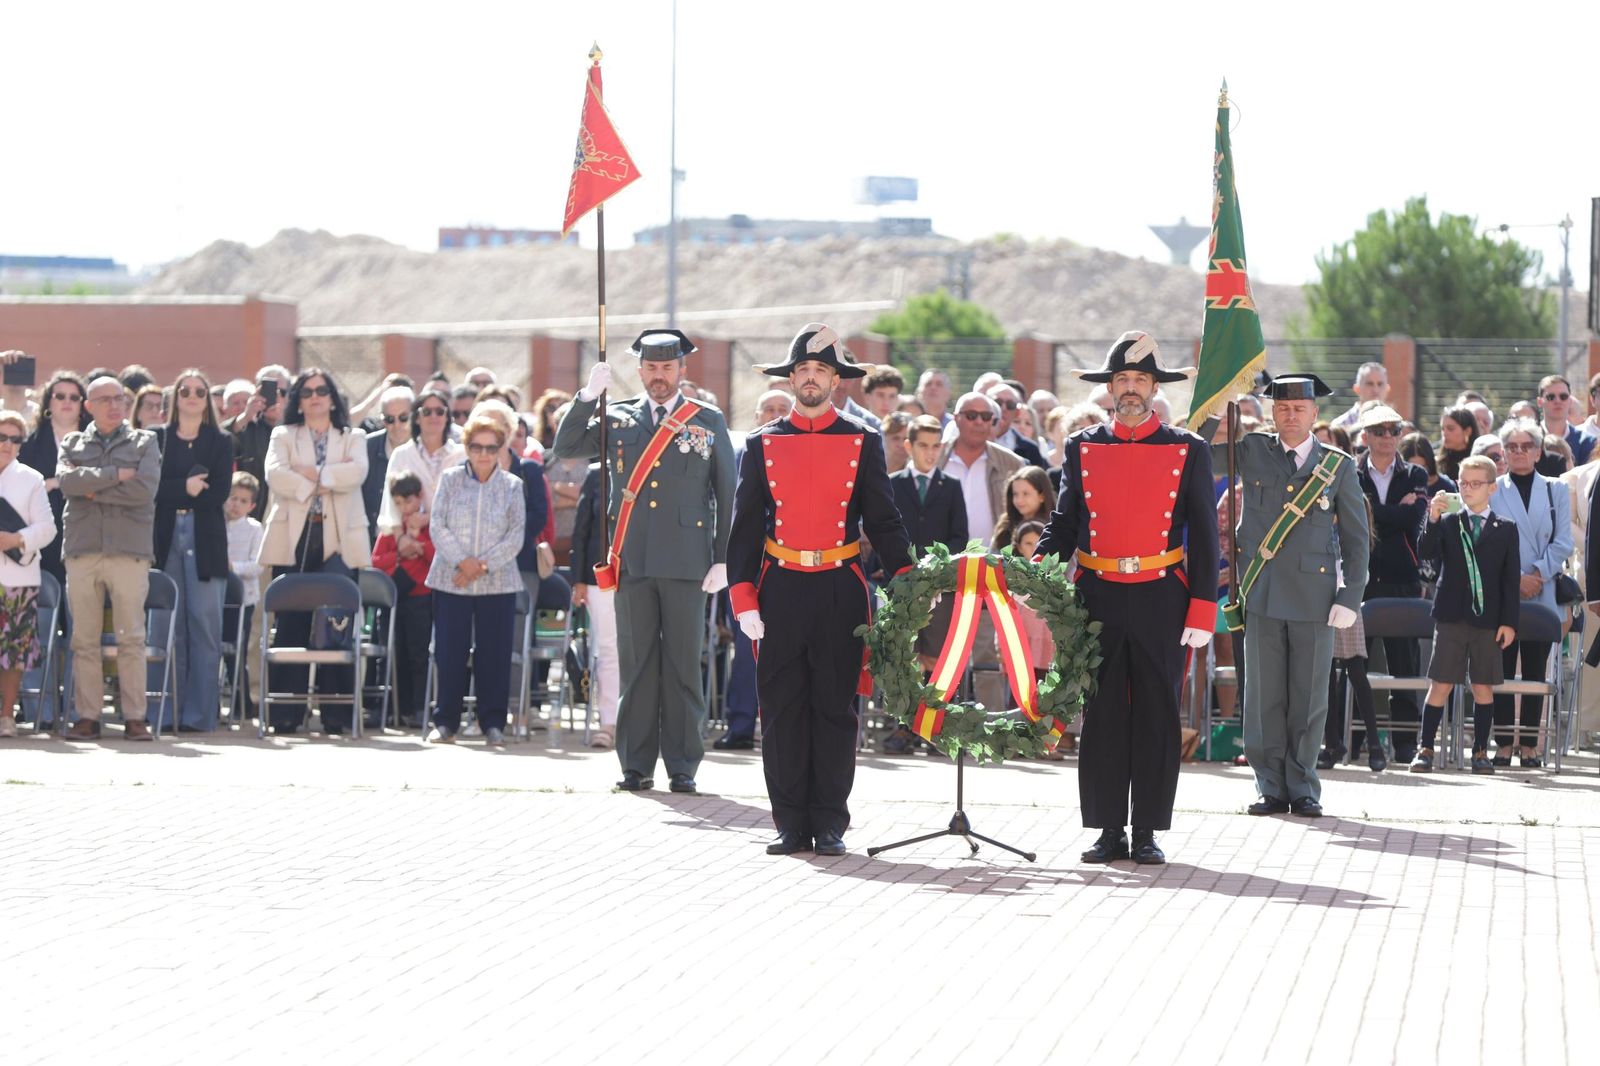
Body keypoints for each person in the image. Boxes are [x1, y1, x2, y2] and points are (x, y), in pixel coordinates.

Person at [728, 323, 911, 856]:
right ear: (791, 378)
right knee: (782, 707)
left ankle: (830, 821)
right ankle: (789, 821)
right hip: (780, 585)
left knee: (834, 707)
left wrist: (907, 578)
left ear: (836, 380)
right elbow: (743, 528)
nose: (810, 379)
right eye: (802, 370)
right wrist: (743, 598)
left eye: (820, 371)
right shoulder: (762, 444)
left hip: (839, 584)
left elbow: (883, 518)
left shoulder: (862, 439)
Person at [1038, 332, 1218, 863]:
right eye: (1123, 380)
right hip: (1097, 595)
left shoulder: (1188, 449)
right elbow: (1066, 522)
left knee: (1157, 714)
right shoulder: (1083, 445)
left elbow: (1205, 534)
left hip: (1162, 594)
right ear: (1110, 388)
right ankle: (1107, 827)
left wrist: (1203, 606)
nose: (1132, 389)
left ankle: (1146, 831)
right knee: (1104, 713)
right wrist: (1031, 569)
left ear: (1155, 387)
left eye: (1141, 379)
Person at [554, 329, 735, 795]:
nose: (659, 376)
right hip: (631, 559)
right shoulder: (617, 417)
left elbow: (726, 495)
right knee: (636, 665)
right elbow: (567, 447)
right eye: (651, 369)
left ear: (681, 371)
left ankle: (682, 766)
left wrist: (723, 558)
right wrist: (585, 397)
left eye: (667, 368)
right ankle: (635, 765)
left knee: (680, 666)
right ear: (640, 372)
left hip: (687, 563)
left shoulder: (707, 420)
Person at [1206, 374, 1369, 817]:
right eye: (1282, 409)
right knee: (1263, 699)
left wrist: (1349, 597)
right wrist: (1217, 403)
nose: (1290, 416)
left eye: (1299, 409)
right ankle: (1270, 787)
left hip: (1315, 598)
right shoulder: (1252, 451)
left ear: (1316, 414)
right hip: (1260, 592)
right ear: (1272, 413)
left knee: (1309, 697)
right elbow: (1197, 454)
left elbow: (1357, 540)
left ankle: (1303, 786)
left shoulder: (1337, 465)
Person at [260, 368, 371, 735]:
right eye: (306, 392)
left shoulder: (353, 435)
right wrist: (322, 481)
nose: (315, 397)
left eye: (322, 390)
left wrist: (313, 474)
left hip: (339, 537)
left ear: (333, 396)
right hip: (296, 536)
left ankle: (337, 715)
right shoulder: (283, 434)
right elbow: (276, 475)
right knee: (291, 625)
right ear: (298, 399)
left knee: (336, 627)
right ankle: (286, 714)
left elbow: (357, 473)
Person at [58, 375, 162, 741]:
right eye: (105, 399)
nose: (115, 405)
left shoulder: (145, 441)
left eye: (119, 398)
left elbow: (143, 491)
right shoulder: (71, 442)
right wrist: (115, 475)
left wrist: (91, 488)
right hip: (83, 550)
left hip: (129, 552)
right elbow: (67, 485)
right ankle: (88, 716)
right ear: (89, 406)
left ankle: (135, 717)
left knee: (130, 637)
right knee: (83, 639)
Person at [1409, 455, 1521, 774]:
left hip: (1488, 620)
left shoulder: (1506, 529)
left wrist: (1509, 622)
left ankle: (1481, 752)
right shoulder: (1449, 521)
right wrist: (1431, 518)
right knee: (1441, 683)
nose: (1468, 489)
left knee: (1483, 686)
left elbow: (1510, 581)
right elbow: (1426, 553)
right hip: (1451, 615)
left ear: (1492, 487)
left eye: (1475, 483)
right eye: (1463, 483)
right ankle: (1426, 748)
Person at [423, 416, 525, 746]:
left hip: (497, 583)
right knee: (450, 652)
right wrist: (462, 562)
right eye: (476, 447)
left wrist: (480, 566)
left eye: (490, 448)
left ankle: (493, 722)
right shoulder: (450, 480)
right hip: (452, 579)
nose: (483, 454)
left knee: (493, 654)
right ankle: (445, 723)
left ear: (501, 449)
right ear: (466, 447)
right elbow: (437, 526)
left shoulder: (512, 485)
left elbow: (516, 536)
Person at [150, 369, 235, 732]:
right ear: (175, 397)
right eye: (184, 389)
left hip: (205, 540)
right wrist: (185, 487)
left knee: (203, 626)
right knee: (165, 627)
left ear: (207, 399)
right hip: (165, 536)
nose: (192, 395)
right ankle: (163, 713)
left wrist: (178, 491)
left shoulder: (220, 441)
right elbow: (150, 489)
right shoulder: (155, 438)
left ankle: (199, 717)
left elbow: (217, 494)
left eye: (200, 390)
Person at [881, 414, 968, 756]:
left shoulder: (951, 487)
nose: (930, 453)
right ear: (908, 446)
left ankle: (933, 727)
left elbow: (959, 536)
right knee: (905, 655)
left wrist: (938, 576)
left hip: (939, 588)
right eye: (923, 446)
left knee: (935, 655)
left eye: (936, 447)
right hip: (902, 585)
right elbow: (883, 530)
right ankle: (904, 726)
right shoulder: (892, 484)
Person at [1487, 419, 1571, 767]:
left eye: (1526, 446)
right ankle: (1504, 743)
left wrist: (1536, 573)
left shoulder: (1556, 489)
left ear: (1538, 452)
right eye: (1512, 447)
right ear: (1503, 453)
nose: (1519, 452)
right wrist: (1516, 579)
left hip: (1542, 587)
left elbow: (1563, 541)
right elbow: (1488, 539)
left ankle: (1531, 746)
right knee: (1501, 667)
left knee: (1536, 666)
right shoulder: (1494, 489)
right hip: (1504, 592)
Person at [939, 391, 1024, 713]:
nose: (978, 422)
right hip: (943, 569)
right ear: (956, 417)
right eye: (970, 415)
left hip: (993, 570)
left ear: (994, 422)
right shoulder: (937, 458)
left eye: (985, 417)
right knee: (941, 651)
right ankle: (939, 725)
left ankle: (991, 726)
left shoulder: (1011, 464)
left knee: (988, 653)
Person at [1354, 403, 1429, 762]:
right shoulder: (1350, 472)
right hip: (1359, 581)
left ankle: (1404, 744)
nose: (1387, 437)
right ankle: (1352, 741)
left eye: (1393, 430)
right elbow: (1354, 519)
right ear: (1365, 434)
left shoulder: (1415, 474)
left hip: (1403, 581)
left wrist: (1377, 513)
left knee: (1405, 667)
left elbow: (1415, 518)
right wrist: (1394, 512)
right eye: (1379, 430)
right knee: (1353, 665)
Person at [0, 410, 58, 738]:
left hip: (18, 579)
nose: (8, 444)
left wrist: (17, 539)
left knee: (12, 653)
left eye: (15, 439)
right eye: (2, 437)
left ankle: (6, 716)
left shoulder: (31, 478)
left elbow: (48, 529)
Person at [369, 473, 433, 729]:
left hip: (420, 598)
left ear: (419, 497)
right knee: (391, 654)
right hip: (394, 599)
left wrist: (419, 545)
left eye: (408, 501)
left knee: (418, 654)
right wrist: (401, 553)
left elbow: (434, 557)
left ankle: (419, 708)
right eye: (398, 503)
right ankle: (390, 708)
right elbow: (375, 560)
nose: (404, 508)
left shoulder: (431, 525)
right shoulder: (392, 530)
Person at [18, 370, 89, 588]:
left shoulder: (95, 441)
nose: (67, 401)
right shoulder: (30, 443)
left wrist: (58, 482)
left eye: (74, 397)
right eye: (60, 396)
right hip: (43, 532)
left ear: (82, 405)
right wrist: (44, 485)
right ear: (49, 403)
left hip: (86, 531)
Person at [569, 463, 619, 749]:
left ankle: (643, 724)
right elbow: (582, 529)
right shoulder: (596, 473)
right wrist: (578, 579)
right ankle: (609, 722)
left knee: (644, 651)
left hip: (646, 574)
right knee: (609, 650)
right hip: (600, 576)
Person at [375, 392, 464, 535]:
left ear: (447, 418)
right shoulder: (402, 455)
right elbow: (390, 506)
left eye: (440, 412)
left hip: (454, 540)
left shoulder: (463, 455)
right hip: (411, 541)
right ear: (416, 418)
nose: (434, 416)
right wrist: (401, 540)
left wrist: (428, 518)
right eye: (427, 412)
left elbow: (466, 504)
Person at [223, 472, 264, 722]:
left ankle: (243, 702)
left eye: (242, 500)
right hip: (219, 598)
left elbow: (257, 565)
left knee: (237, 651)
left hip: (244, 600)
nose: (236, 504)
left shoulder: (254, 529)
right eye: (232, 498)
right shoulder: (217, 524)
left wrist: (232, 567)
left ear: (252, 506)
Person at [228, 365, 292, 522]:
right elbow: (222, 441)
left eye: (281, 392)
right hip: (247, 518)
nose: (275, 397)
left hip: (284, 515)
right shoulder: (246, 426)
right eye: (269, 391)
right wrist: (246, 415)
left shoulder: (297, 430)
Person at [361, 385, 416, 541]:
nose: (397, 425)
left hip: (417, 542)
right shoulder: (366, 448)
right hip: (375, 541)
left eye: (403, 417)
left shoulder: (424, 449)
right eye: (390, 419)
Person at [989, 465, 1056, 553]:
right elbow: (992, 559)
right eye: (1015, 494)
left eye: (1026, 494)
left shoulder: (1057, 527)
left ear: (1042, 496)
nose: (1019, 500)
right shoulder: (1004, 527)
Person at [1536, 374, 1593, 466]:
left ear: (1570, 401)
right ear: (1539, 402)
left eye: (1563, 396)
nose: (1557, 401)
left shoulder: (1587, 442)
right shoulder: (1530, 439)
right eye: (1551, 397)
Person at [985, 382, 1046, 467]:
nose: (1003, 408)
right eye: (998, 402)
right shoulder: (971, 440)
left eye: (1010, 405)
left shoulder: (1030, 449)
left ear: (1017, 413)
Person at [1330, 362, 1389, 431]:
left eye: (1380, 384)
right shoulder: (1340, 427)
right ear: (1357, 389)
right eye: (1369, 384)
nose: (1375, 390)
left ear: (1387, 389)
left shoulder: (1396, 426)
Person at [1437, 406, 1480, 481]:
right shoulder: (1437, 463)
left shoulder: (1480, 462)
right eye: (1442, 429)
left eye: (1450, 429)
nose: (1445, 433)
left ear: (1467, 431)